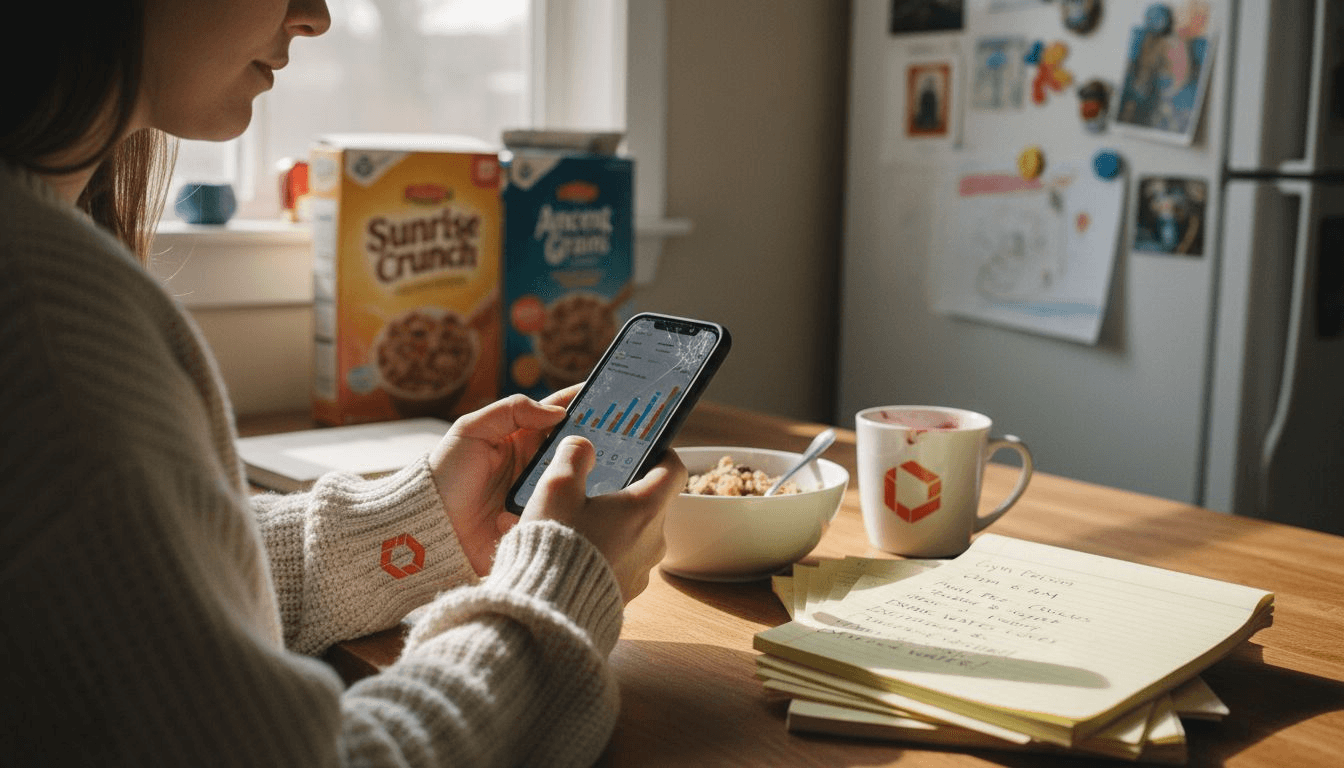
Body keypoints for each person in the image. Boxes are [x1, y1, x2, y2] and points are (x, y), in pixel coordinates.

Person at [0, 1, 686, 765]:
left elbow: (116, 605)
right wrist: (553, 596)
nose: (316, 16)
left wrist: (415, 527)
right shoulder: (44, 323)